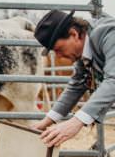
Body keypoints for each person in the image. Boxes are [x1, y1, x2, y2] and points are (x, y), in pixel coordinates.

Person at [32, 9, 115, 147]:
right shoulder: (85, 53)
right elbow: (77, 84)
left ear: (74, 34)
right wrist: (46, 121)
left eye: (58, 49)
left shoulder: (109, 34)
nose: (58, 57)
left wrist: (77, 121)